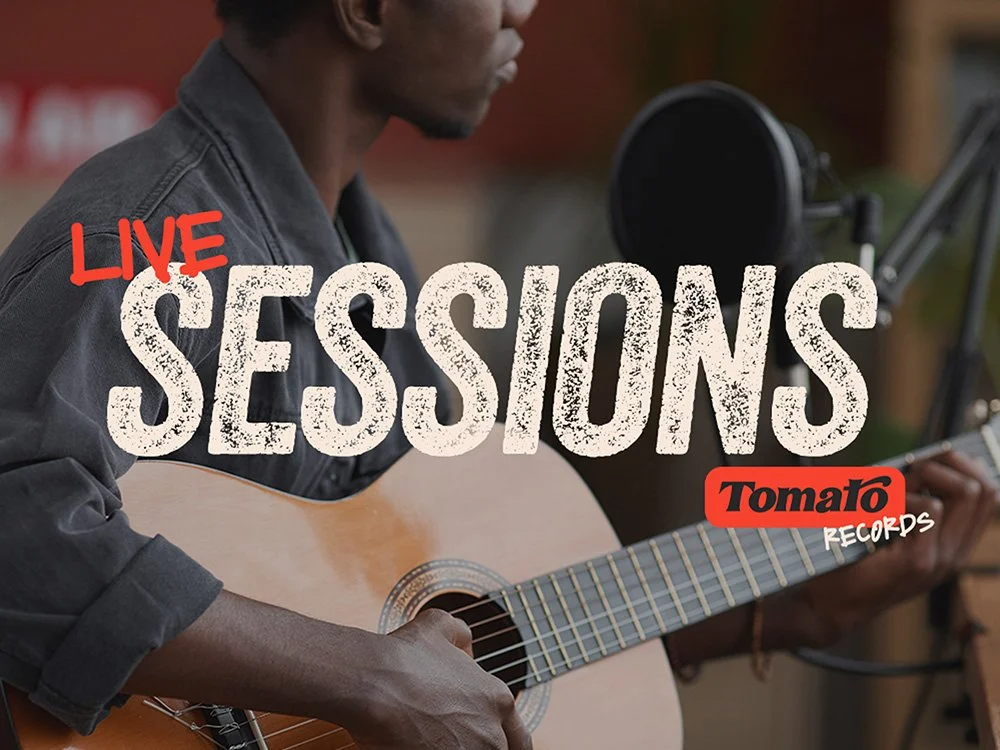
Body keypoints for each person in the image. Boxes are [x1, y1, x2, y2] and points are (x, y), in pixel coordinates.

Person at [0, 1, 996, 748]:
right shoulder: (150, 227)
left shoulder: (360, 249)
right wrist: (368, 678)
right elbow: (17, 514)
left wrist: (783, 611)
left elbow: (475, 636)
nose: (525, 10)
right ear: (368, 8)